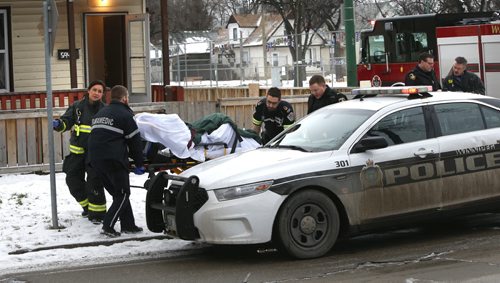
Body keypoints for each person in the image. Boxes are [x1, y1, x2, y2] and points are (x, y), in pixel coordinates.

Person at [88, 85, 145, 237]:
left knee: (118, 194)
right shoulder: (125, 115)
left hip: (96, 160)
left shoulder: (101, 113)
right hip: (113, 160)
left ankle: (128, 225)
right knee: (123, 194)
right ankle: (108, 226)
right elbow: (135, 142)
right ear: (125, 98)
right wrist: (139, 163)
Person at [52, 80, 107, 223]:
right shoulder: (77, 107)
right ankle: (88, 207)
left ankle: (98, 215)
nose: (96, 93)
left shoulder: (105, 110)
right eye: (94, 90)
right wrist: (59, 124)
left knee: (94, 183)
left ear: (102, 94)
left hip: (95, 155)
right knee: (72, 180)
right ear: (88, 91)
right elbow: (66, 122)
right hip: (77, 153)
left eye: (100, 91)